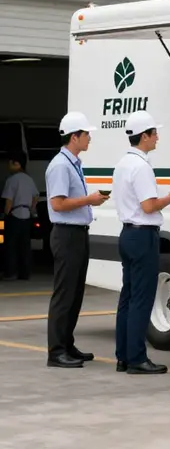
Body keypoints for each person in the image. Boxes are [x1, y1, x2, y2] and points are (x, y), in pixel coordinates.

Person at [112, 110, 170, 375]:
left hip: (127, 233)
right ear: (144, 136)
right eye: (154, 133)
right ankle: (137, 359)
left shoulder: (123, 164)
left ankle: (123, 355)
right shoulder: (141, 166)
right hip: (143, 235)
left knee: (128, 297)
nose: (157, 137)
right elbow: (149, 205)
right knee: (142, 299)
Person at [45, 111, 109, 368]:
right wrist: (89, 200)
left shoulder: (72, 163)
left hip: (77, 233)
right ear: (74, 137)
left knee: (75, 293)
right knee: (64, 294)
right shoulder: (60, 165)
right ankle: (56, 351)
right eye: (86, 134)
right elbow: (58, 204)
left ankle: (67, 344)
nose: (89, 138)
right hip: (66, 233)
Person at [2, 150, 39, 281]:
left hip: (14, 215)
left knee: (10, 245)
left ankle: (10, 272)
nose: (8, 166)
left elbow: (8, 200)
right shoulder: (29, 179)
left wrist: (5, 214)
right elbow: (35, 196)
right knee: (25, 246)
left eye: (10, 164)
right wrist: (32, 209)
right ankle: (25, 273)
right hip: (26, 216)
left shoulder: (12, 180)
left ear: (16, 164)